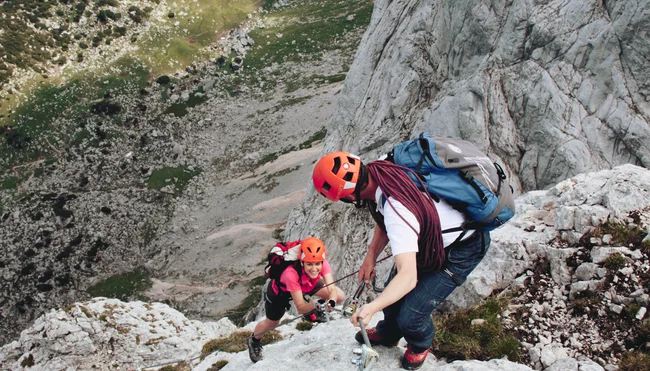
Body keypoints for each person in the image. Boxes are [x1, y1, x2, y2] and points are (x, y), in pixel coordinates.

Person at [311, 152, 491, 370]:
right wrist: (371, 256)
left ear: (349, 196)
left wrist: (372, 307)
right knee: (392, 297)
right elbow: (384, 217)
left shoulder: (397, 208)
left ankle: (420, 345)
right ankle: (389, 332)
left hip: (463, 249)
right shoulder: (382, 169)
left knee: (411, 315)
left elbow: (408, 276)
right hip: (434, 241)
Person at [247, 237, 346, 363]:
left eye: (317, 264)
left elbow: (332, 289)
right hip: (280, 293)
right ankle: (254, 341)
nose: (314, 268)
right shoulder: (290, 274)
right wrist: (315, 304)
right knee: (272, 323)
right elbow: (300, 307)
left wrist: (331, 301)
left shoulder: (322, 263)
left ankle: (314, 313)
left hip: (306, 284)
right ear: (302, 262)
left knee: (340, 295)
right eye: (309, 264)